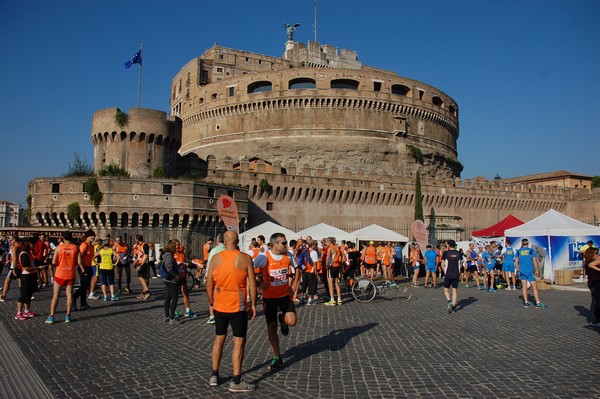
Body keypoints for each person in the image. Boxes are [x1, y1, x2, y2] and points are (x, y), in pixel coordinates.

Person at [206, 230, 257, 392]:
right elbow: (253, 284)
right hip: (238, 306)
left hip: (220, 305)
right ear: (237, 241)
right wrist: (254, 304)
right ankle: (236, 380)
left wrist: (211, 302)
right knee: (238, 342)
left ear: (224, 241)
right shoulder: (245, 258)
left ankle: (214, 374)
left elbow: (209, 283)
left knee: (219, 339)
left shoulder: (215, 258)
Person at [253, 232, 300, 371]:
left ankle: (283, 319)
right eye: (283, 243)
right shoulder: (263, 257)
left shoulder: (288, 256)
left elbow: (297, 269)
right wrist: (259, 285)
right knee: (271, 328)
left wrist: (295, 286)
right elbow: (250, 271)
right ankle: (277, 356)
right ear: (274, 245)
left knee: (292, 321)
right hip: (269, 298)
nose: (286, 245)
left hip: (285, 295)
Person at [46, 231, 82, 324]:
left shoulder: (59, 248)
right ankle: (68, 315)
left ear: (63, 238)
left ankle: (51, 316)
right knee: (69, 294)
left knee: (55, 296)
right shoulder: (76, 248)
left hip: (60, 273)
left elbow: (53, 262)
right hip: (70, 273)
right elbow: (79, 261)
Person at [515, 238, 547, 309]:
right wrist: (536, 270)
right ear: (528, 243)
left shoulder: (518, 251)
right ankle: (538, 303)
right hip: (529, 271)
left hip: (522, 271)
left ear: (521, 243)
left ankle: (526, 302)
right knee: (534, 287)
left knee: (524, 287)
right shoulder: (531, 251)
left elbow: (516, 262)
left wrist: (517, 270)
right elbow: (535, 261)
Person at [14, 237, 40, 320]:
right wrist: (37, 268)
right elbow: (25, 267)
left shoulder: (29, 253)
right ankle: (18, 312)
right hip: (26, 276)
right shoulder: (24, 254)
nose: (34, 246)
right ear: (29, 244)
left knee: (29, 294)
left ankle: (26, 310)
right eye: (33, 244)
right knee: (24, 294)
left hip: (31, 275)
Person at [72, 230, 95, 310]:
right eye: (91, 236)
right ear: (87, 237)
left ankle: (83, 303)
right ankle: (73, 298)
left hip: (89, 267)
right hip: (83, 267)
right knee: (83, 286)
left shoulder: (91, 245)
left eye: (93, 236)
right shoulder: (84, 245)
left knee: (85, 287)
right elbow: (80, 257)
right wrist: (82, 269)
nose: (93, 237)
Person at [205, 233, 225, 324]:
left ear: (217, 241)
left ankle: (212, 316)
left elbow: (209, 265)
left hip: (215, 276)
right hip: (226, 276)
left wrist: (206, 276)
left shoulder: (214, 250)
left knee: (211, 295)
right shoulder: (228, 250)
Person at [161, 241, 180, 325]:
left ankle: (166, 316)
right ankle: (172, 318)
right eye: (175, 248)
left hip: (167, 279)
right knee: (174, 298)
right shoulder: (169, 256)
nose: (177, 249)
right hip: (171, 280)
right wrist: (176, 275)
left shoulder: (166, 255)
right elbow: (169, 268)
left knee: (168, 297)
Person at [442, 240, 461, 314]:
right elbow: (461, 263)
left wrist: (444, 271)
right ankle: (453, 308)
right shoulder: (458, 253)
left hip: (448, 274)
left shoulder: (446, 253)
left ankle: (449, 301)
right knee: (454, 291)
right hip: (456, 274)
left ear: (448, 245)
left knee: (446, 289)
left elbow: (442, 264)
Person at [324, 237, 343, 306]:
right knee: (336, 283)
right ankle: (339, 299)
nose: (326, 243)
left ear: (329, 242)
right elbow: (342, 256)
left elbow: (328, 257)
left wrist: (326, 265)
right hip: (337, 266)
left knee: (330, 284)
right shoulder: (337, 247)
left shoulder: (330, 248)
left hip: (331, 266)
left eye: (326, 242)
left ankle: (332, 299)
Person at [583, 247, 600, 326]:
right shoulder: (590, 263)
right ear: (591, 254)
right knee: (597, 302)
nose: (597, 255)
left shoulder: (588, 262)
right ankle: (596, 320)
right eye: (596, 253)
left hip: (592, 283)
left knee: (595, 301)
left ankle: (594, 319)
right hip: (595, 283)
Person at [133, 234, 151, 299]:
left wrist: (141, 265)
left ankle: (147, 291)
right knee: (144, 278)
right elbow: (140, 255)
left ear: (137, 239)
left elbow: (146, 256)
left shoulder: (144, 245)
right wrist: (135, 261)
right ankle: (144, 292)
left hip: (144, 263)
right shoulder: (139, 246)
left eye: (135, 239)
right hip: (141, 263)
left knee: (140, 277)